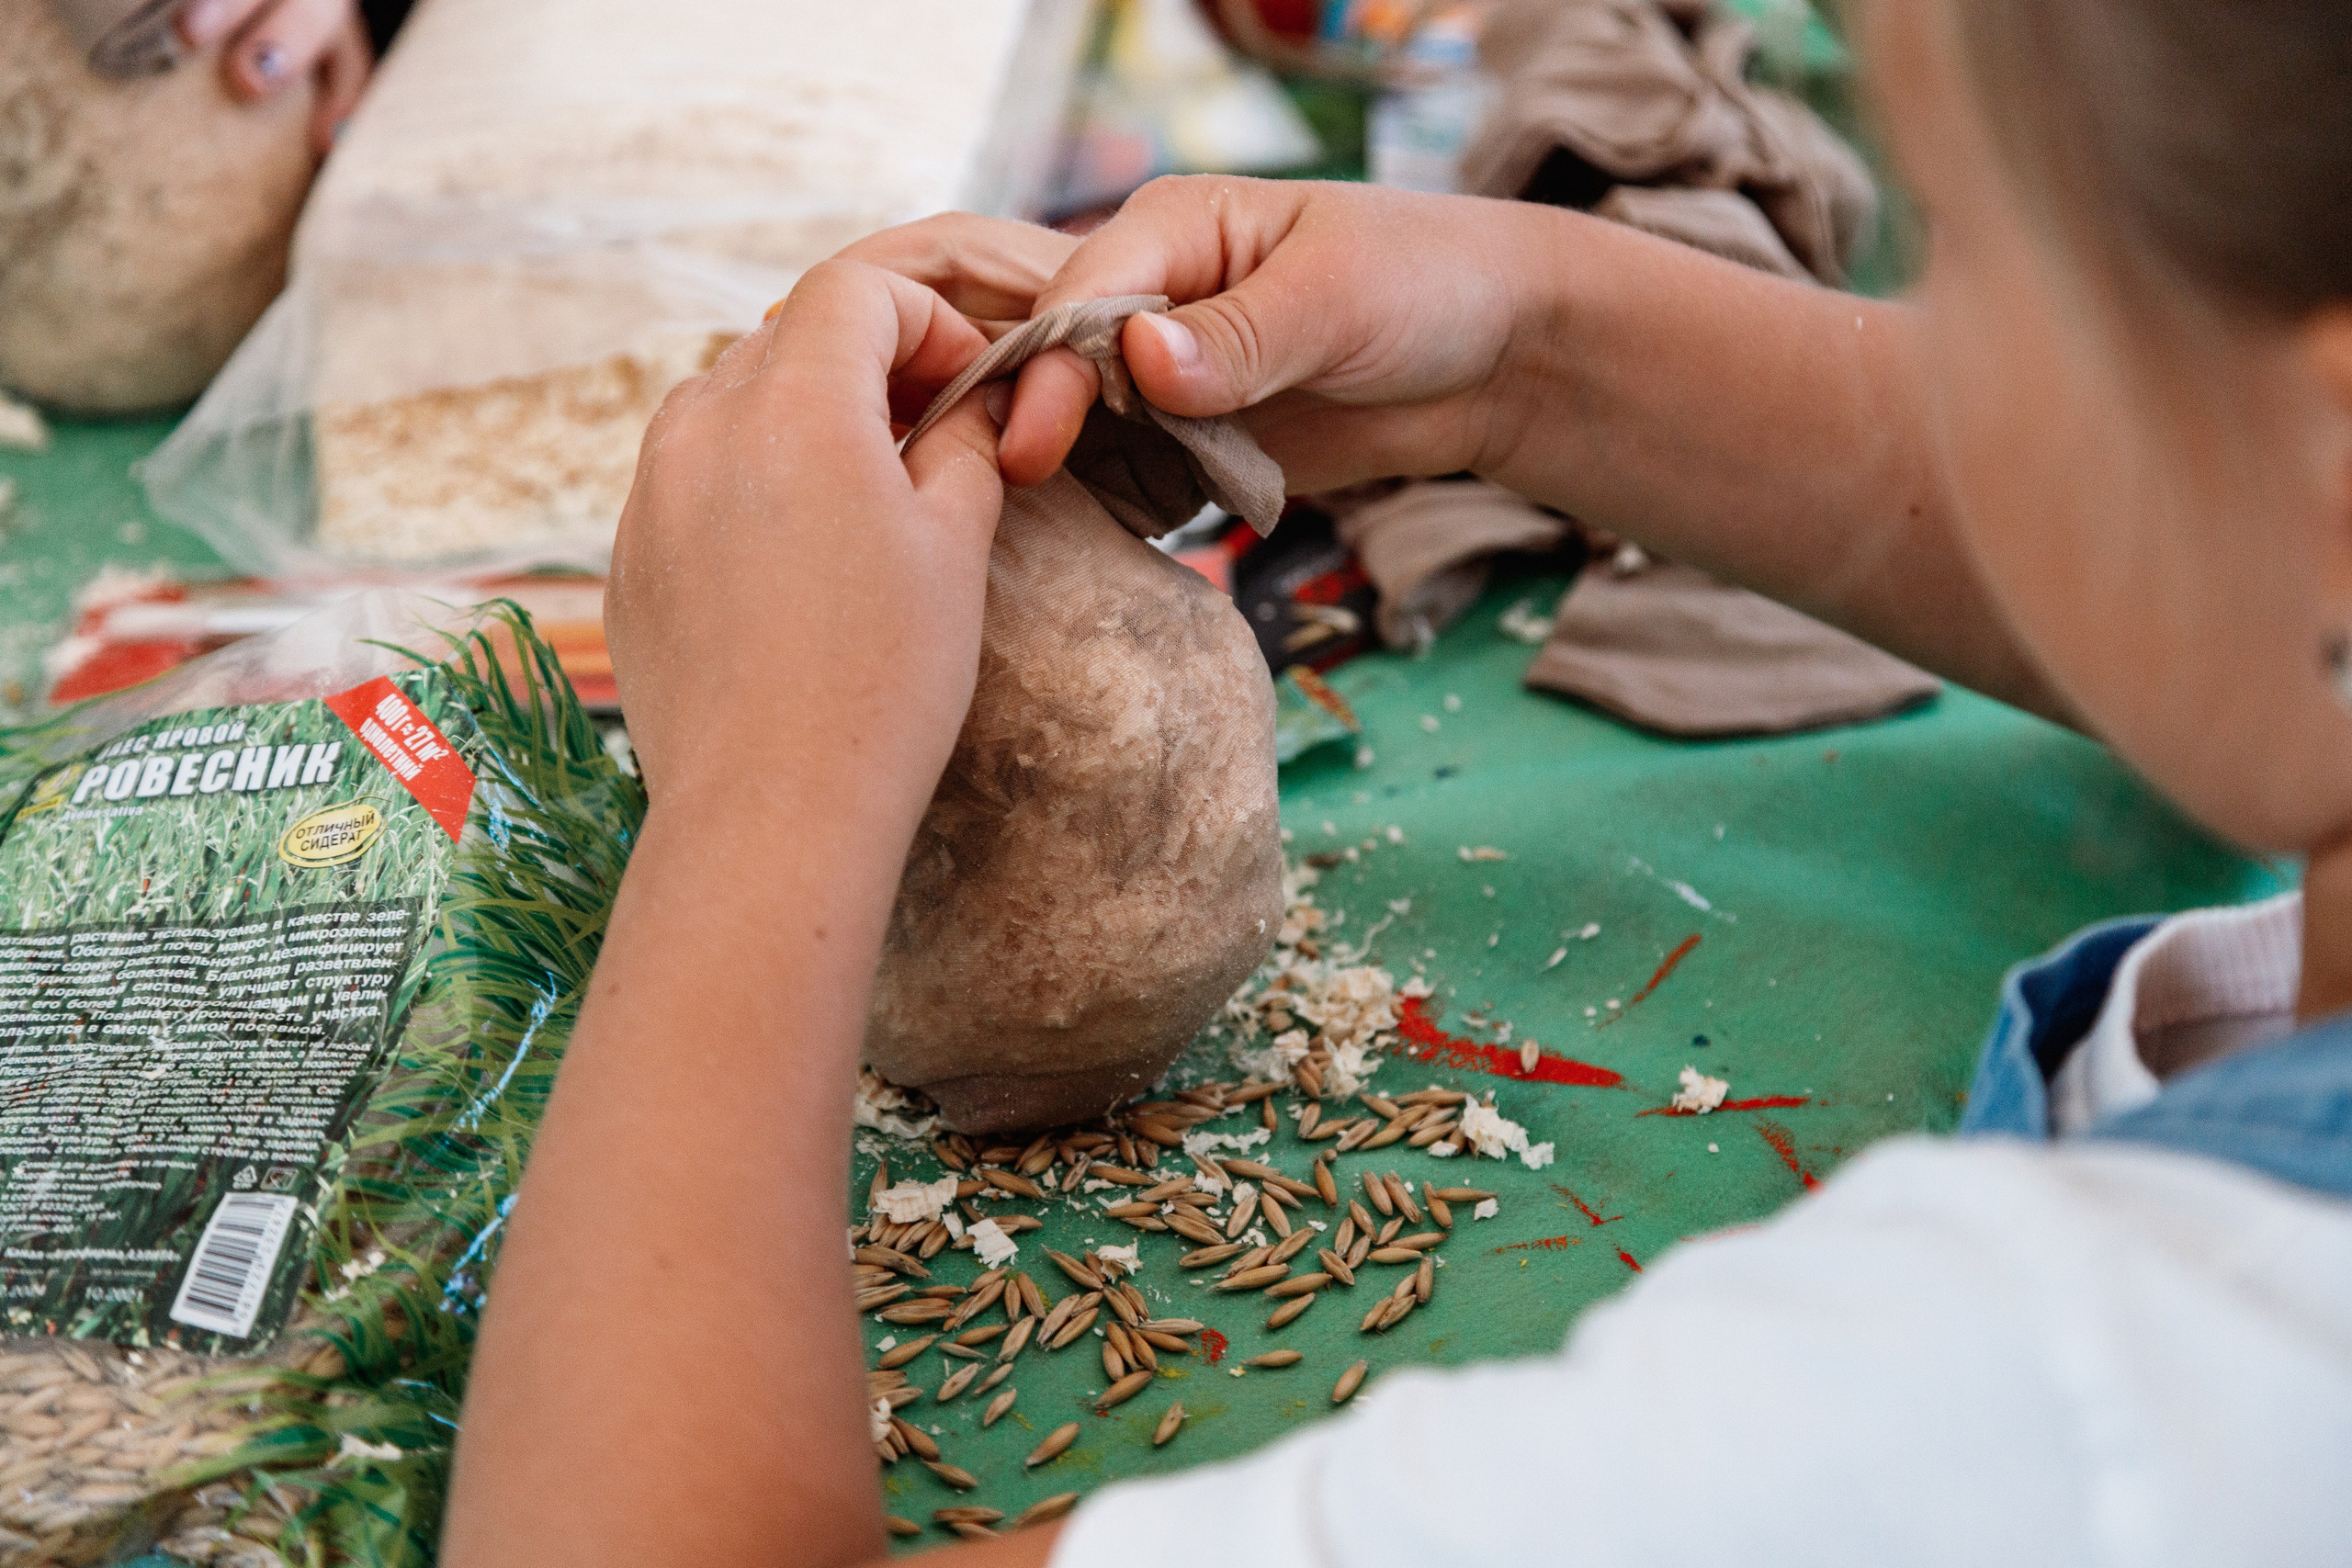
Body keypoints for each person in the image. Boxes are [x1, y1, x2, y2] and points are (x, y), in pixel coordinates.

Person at [440, 1, 2352, 1562]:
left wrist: (758, 793)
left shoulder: (2064, 1411)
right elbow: (2220, 548)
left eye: (1965, 237)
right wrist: (1531, 349)